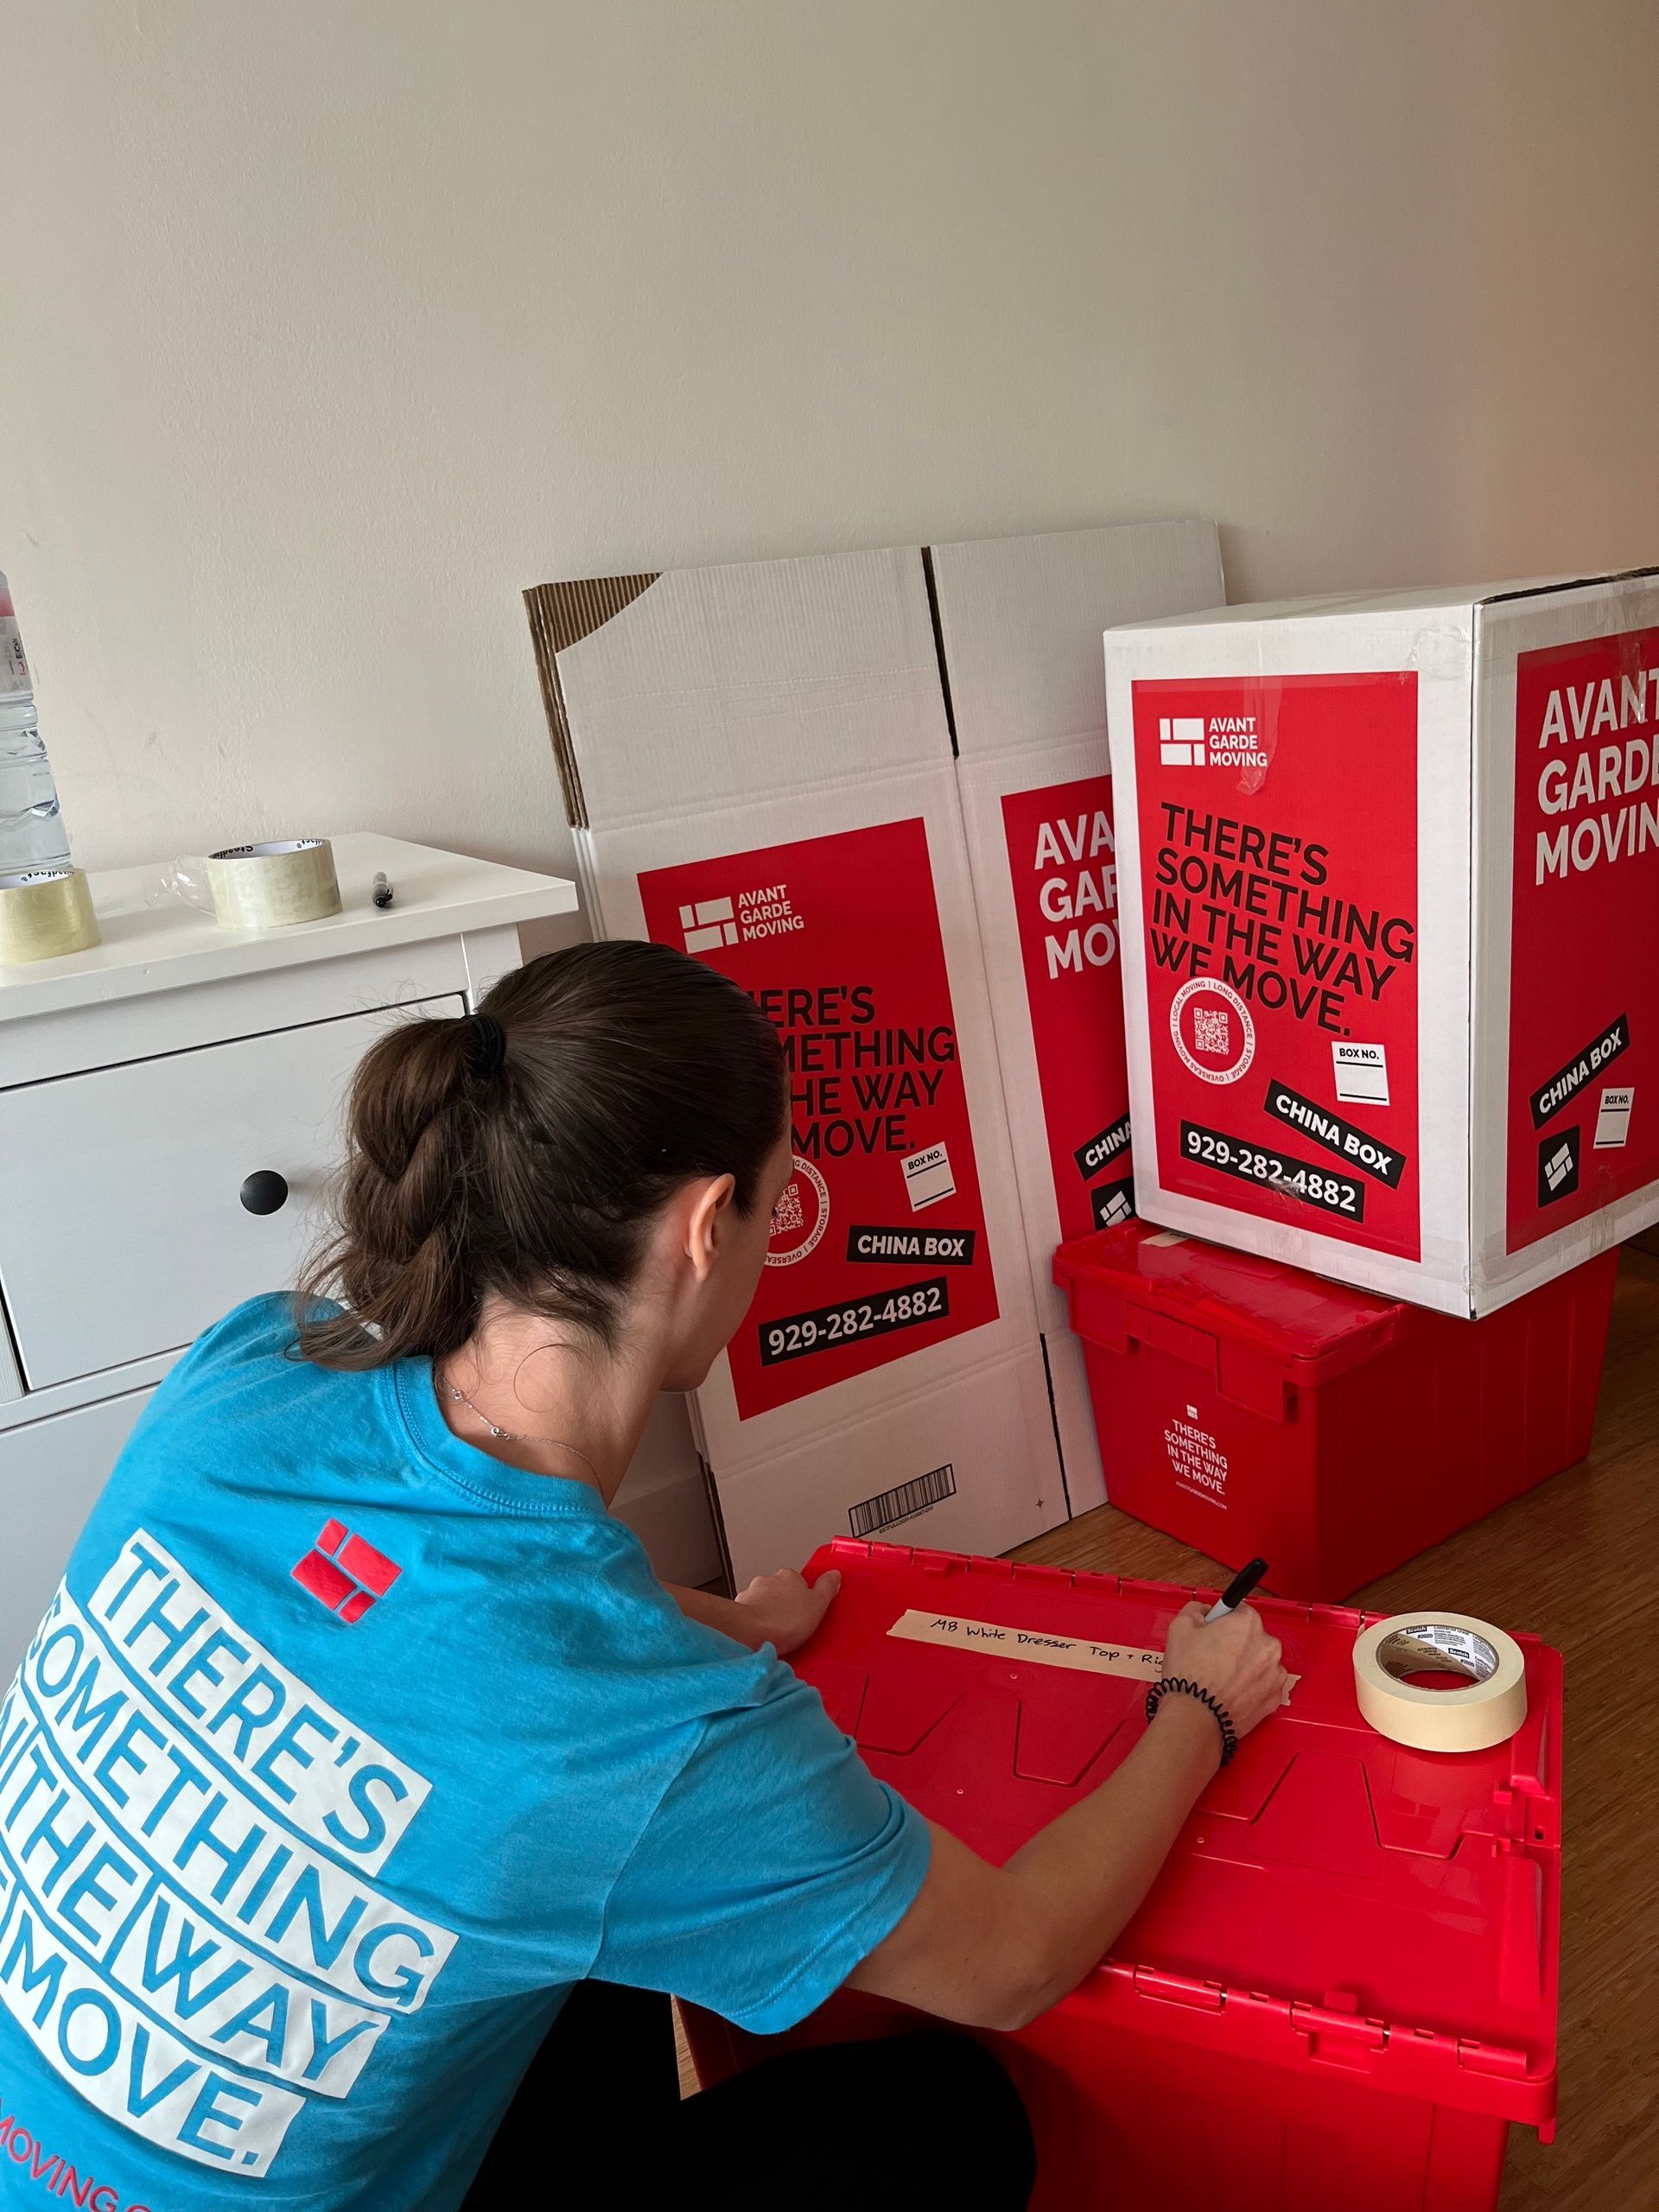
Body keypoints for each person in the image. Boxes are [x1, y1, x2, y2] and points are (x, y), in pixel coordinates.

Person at [1, 942, 1287, 2211]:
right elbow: (1014, 1964)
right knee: (947, 2120)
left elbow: (421, 1625)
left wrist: (723, 1621)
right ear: (705, 1228)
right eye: (778, 1205)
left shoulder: (258, 1371)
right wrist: (1203, 1707)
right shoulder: (653, 1737)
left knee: (574, 1913)